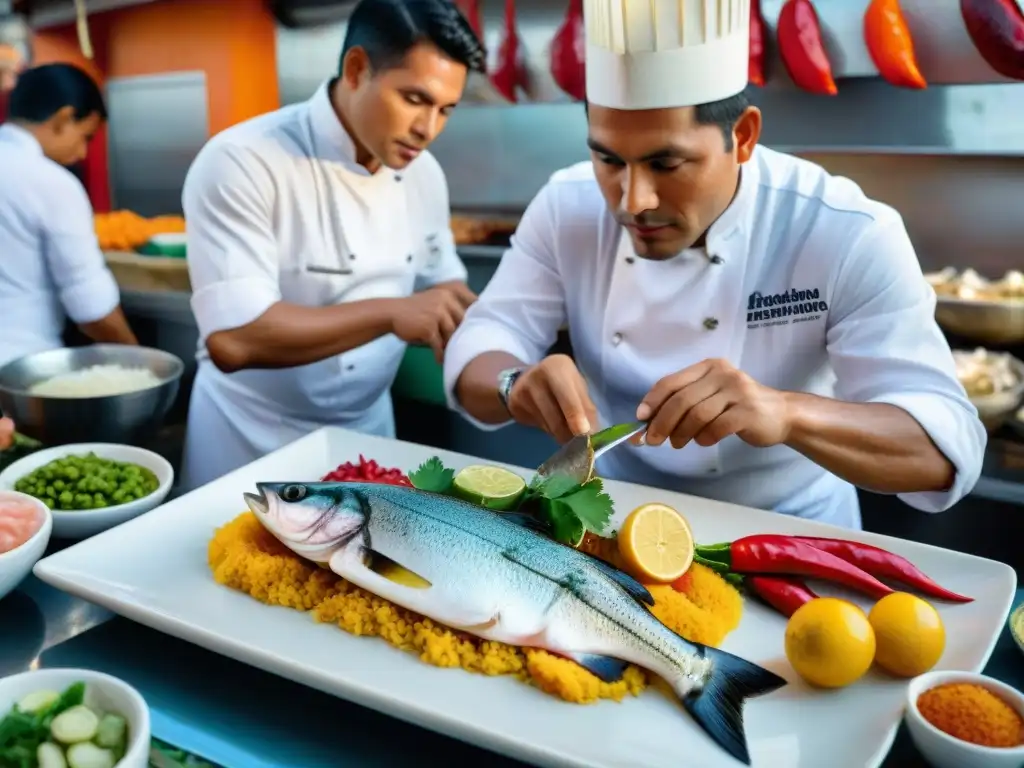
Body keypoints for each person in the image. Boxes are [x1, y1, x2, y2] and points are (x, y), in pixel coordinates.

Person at [442, 1, 987, 529]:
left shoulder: (844, 230)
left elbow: (944, 448)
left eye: (666, 162)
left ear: (743, 137)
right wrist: (516, 382)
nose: (633, 201)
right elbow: (483, 340)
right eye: (608, 159)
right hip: (612, 525)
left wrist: (786, 414)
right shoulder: (568, 205)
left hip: (792, 536)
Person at [180, 0, 484, 490]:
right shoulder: (243, 161)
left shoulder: (423, 174)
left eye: (445, 109)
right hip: (249, 439)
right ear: (357, 69)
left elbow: (443, 285)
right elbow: (234, 340)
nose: (428, 130)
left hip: (368, 436)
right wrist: (392, 313)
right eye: (413, 99)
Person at [0, 63, 138, 369]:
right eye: (85, 136)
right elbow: (91, 307)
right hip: (19, 370)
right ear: (63, 118)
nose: (83, 153)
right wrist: (140, 363)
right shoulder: (50, 182)